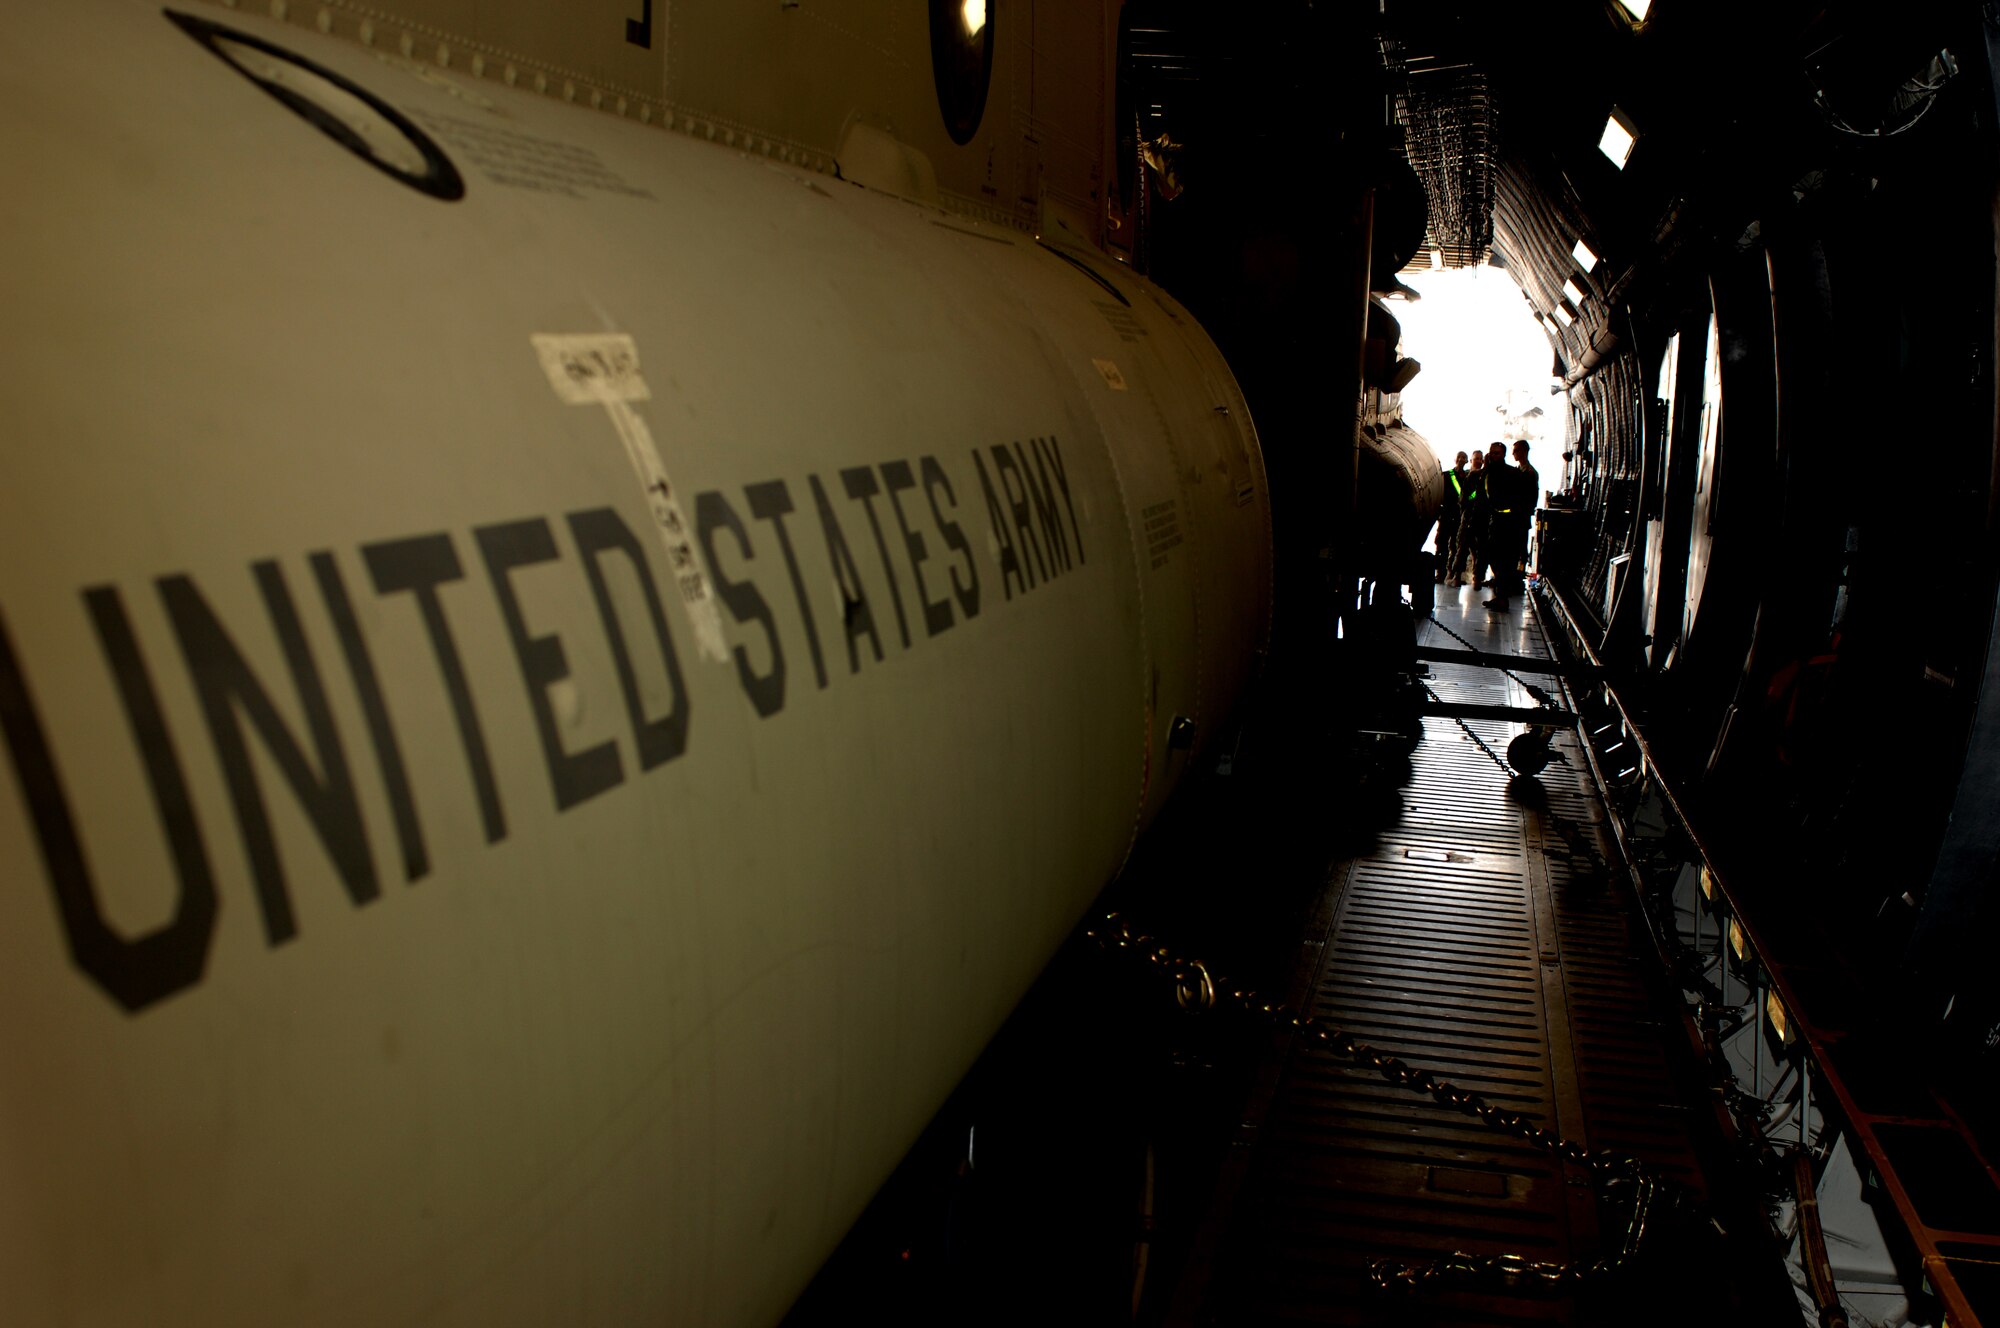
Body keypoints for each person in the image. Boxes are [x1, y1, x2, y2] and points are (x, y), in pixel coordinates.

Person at [1436, 451, 1469, 583]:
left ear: (1466, 461)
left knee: (1457, 547)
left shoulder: (1468, 477)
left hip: (1460, 516)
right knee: (1442, 545)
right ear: (1455, 460)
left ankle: (1454, 574)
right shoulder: (1447, 475)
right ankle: (1440, 573)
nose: (1461, 460)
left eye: (1464, 458)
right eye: (1459, 458)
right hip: (1447, 515)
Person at [1461, 449, 1487, 588]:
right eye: (1475, 458)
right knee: (1462, 547)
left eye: (1480, 459)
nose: (1478, 461)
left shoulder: (1484, 476)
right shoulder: (1466, 476)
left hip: (1481, 516)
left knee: (1480, 549)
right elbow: (1464, 497)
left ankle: (1477, 577)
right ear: (1471, 460)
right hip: (1467, 516)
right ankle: (1457, 574)